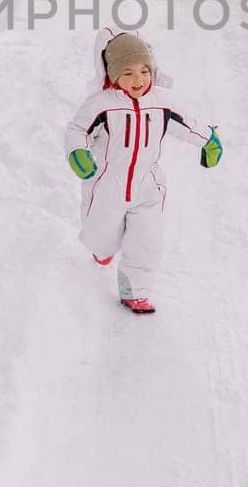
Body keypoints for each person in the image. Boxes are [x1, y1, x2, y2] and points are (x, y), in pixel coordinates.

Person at [64, 27, 222, 314]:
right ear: (113, 75)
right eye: (128, 72)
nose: (138, 80)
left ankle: (135, 291)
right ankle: (102, 251)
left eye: (144, 71)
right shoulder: (101, 106)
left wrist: (209, 141)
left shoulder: (162, 103)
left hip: (148, 187)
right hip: (107, 187)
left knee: (148, 241)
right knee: (102, 236)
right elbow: (78, 130)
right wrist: (78, 152)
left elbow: (189, 124)